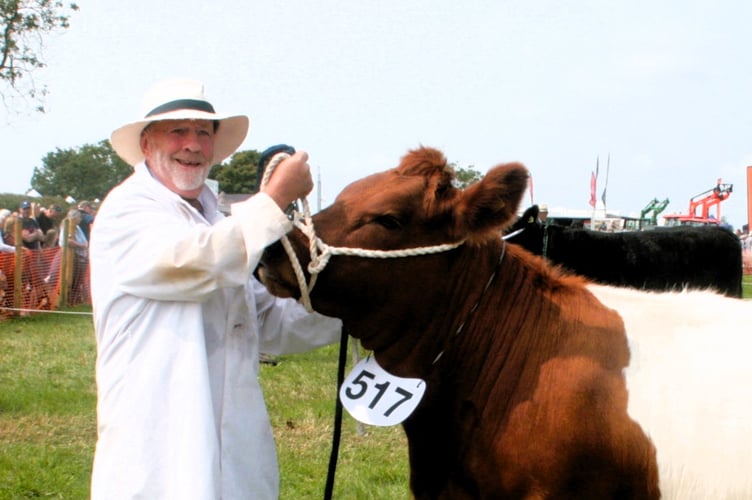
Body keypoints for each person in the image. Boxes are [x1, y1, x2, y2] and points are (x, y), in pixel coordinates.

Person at [89, 78, 342, 499]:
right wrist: (275, 198)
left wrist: (360, 309)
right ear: (147, 143)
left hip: (235, 450)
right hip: (158, 448)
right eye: (178, 130)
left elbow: (268, 319)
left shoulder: (213, 220)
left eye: (203, 132)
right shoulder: (126, 211)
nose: (192, 144)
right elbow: (198, 260)